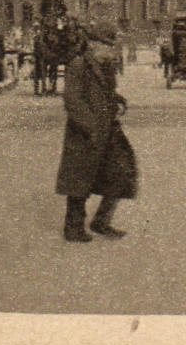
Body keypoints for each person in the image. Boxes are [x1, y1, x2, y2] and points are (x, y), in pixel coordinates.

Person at [56, 18, 137, 242]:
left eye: (112, 46)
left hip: (108, 130)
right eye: (107, 46)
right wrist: (90, 127)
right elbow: (72, 101)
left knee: (121, 172)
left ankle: (101, 222)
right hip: (85, 133)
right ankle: (73, 228)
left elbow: (104, 93)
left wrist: (116, 99)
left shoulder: (106, 67)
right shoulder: (78, 65)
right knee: (79, 181)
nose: (111, 51)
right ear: (92, 45)